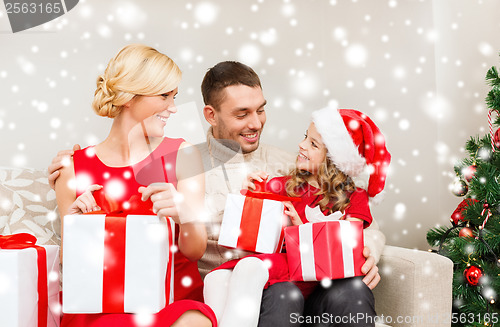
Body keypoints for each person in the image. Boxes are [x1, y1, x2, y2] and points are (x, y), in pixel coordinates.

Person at [49, 61, 385, 326]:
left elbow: (348, 208)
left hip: (300, 277)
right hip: (243, 291)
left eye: (261, 109)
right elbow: (125, 194)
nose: (256, 123)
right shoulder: (182, 161)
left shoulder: (291, 165)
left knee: (352, 291)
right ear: (210, 115)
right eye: (242, 114)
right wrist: (75, 168)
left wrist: (368, 246)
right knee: (283, 297)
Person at [54, 44, 216, 327]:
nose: (173, 108)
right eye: (164, 96)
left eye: (174, 96)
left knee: (195, 321)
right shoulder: (72, 169)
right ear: (129, 97)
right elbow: (72, 266)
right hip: (101, 306)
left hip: (169, 303)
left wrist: (185, 214)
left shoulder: (183, 155)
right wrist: (76, 225)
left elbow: (195, 251)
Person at [203, 106, 390, 327]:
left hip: (325, 290)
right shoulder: (281, 185)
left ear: (333, 160)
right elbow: (250, 230)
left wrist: (299, 227)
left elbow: (347, 249)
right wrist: (248, 192)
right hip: (285, 284)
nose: (301, 145)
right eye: (305, 137)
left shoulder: (355, 197)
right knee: (276, 292)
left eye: (313, 144)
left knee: (352, 290)